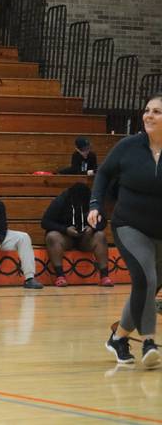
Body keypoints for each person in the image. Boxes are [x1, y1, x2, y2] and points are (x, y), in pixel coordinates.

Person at [90, 94, 162, 369]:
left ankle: (119, 338)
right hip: (129, 225)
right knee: (145, 276)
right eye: (147, 111)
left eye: (156, 111)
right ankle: (148, 342)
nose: (148, 116)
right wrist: (95, 203)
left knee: (146, 287)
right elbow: (104, 173)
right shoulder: (128, 146)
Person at [42, 182, 111, 287]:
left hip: (85, 239)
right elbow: (45, 222)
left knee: (100, 235)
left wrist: (92, 228)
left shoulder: (92, 201)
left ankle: (104, 276)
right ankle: (60, 276)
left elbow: (103, 221)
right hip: (66, 238)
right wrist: (65, 229)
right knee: (52, 236)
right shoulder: (61, 200)